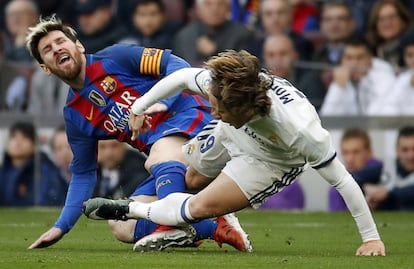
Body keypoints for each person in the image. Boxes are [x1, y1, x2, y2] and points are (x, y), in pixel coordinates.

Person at [84, 49, 386, 256]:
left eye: (217, 107)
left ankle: (132, 211)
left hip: (270, 161)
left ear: (242, 110)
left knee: (198, 208)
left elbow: (344, 182)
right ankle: (192, 224)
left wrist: (371, 238)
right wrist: (138, 108)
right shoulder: (226, 87)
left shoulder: (302, 134)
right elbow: (180, 77)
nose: (210, 108)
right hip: (231, 132)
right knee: (191, 177)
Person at [25, 15, 251, 252]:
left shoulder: (115, 57)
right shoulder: (75, 115)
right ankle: (216, 228)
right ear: (45, 68)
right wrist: (61, 227)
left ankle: (171, 224)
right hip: (168, 158)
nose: (56, 48)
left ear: (78, 46)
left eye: (60, 41)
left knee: (159, 154)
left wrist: (159, 103)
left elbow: (178, 66)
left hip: (191, 119)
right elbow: (83, 173)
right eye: (48, 49)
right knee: (122, 224)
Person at [319, 37, 396, 116]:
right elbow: (326, 117)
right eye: (349, 58)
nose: (354, 63)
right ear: (342, 60)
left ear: (370, 59)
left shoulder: (384, 75)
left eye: (360, 58)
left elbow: (380, 115)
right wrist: (339, 88)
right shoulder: (341, 78)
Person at [173, 0, 253, 67]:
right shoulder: (184, 36)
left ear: (228, 8)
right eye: (208, 4)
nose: (214, 9)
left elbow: (243, 70)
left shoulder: (242, 34)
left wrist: (215, 53)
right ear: (198, 8)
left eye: (220, 4)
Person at [329, 128, 383, 211]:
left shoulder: (384, 172)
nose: (350, 159)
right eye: (345, 153)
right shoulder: (336, 187)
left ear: (369, 152)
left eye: (356, 152)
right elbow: (338, 218)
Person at [364, 126, 414, 211]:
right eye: (405, 150)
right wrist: (366, 189)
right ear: (397, 150)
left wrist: (387, 194)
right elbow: (356, 178)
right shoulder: (387, 167)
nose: (411, 155)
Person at [366, 0, 411, 72]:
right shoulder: (370, 53)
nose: (387, 23)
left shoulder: (411, 50)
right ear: (375, 25)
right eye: (381, 19)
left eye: (392, 17)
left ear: (403, 21)